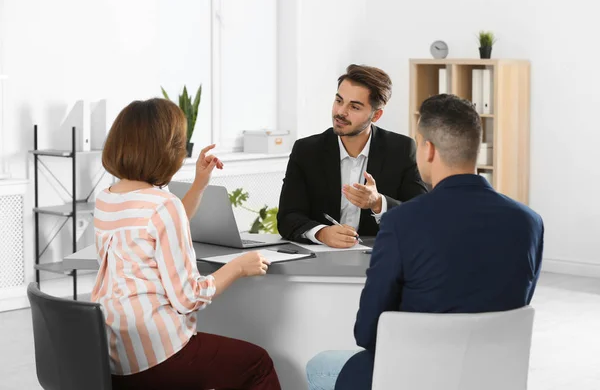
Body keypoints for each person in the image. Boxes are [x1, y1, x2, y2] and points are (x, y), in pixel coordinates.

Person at [306, 94, 544, 389]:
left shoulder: (402, 222)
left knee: (320, 366)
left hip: (413, 374)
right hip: (490, 375)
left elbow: (367, 332)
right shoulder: (529, 222)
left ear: (428, 150)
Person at [92, 98, 281, 390]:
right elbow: (188, 297)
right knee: (258, 364)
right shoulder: (164, 206)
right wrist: (237, 267)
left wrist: (199, 185)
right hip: (158, 355)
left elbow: (155, 224)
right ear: (165, 150)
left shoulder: (106, 199)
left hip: (114, 355)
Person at [277, 64, 428, 248]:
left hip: (379, 258)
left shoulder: (401, 149)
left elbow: (421, 214)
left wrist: (378, 203)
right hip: (321, 258)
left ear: (376, 115)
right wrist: (322, 233)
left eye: (354, 107)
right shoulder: (307, 150)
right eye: (339, 101)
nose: (341, 112)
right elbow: (287, 217)